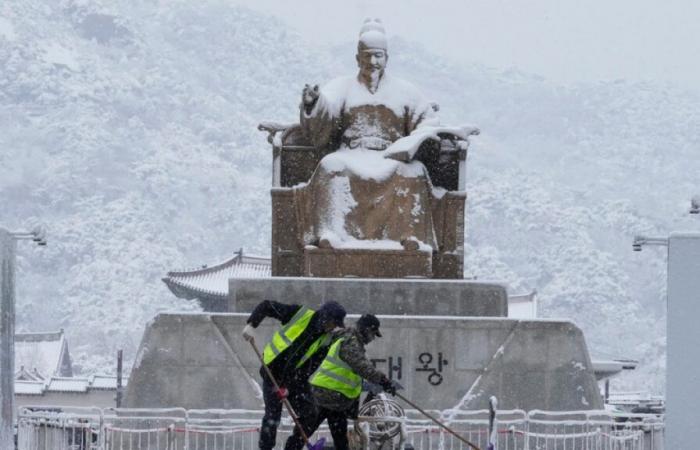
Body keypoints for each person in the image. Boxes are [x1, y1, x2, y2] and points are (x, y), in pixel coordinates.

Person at [294, 18, 443, 252]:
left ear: (386, 58)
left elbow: (428, 120)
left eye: (378, 56)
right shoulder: (342, 86)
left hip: (391, 156)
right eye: (367, 56)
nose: (372, 62)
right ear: (357, 58)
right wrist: (314, 102)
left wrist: (413, 141)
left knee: (413, 171)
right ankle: (331, 233)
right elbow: (327, 110)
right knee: (330, 166)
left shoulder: (406, 91)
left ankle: (409, 237)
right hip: (351, 154)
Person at [243, 300, 347, 450]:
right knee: (272, 418)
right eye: (333, 323)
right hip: (272, 372)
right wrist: (252, 324)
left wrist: (289, 388)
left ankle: (293, 447)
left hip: (295, 379)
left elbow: (310, 368)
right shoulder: (300, 314)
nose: (333, 327)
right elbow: (266, 306)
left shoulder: (326, 340)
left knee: (311, 413)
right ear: (325, 316)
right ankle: (265, 448)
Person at [284, 314, 397, 450]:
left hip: (335, 401)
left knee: (339, 441)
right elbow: (362, 366)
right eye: (373, 334)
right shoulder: (350, 341)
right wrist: (383, 381)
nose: (372, 338)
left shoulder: (351, 341)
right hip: (324, 396)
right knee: (303, 434)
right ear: (365, 330)